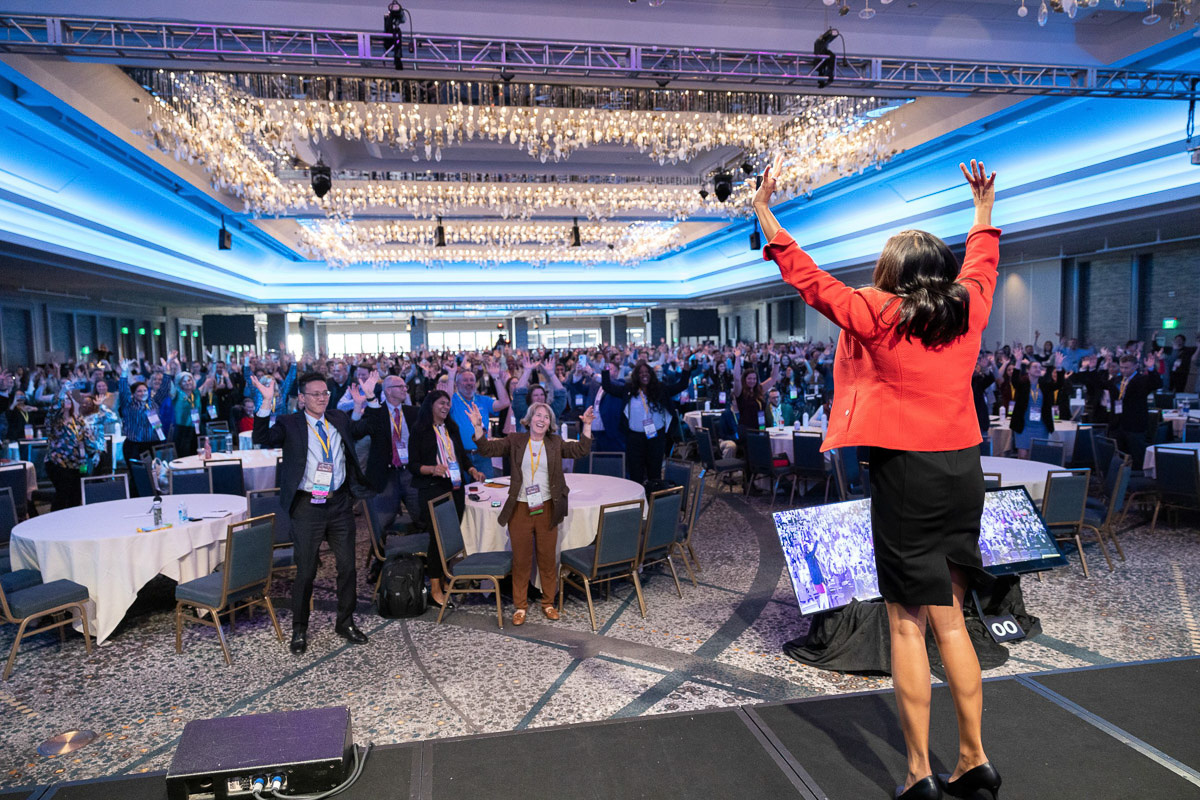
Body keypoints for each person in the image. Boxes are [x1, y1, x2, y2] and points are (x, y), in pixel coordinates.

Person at [756, 157, 1002, 800]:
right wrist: (983, 211)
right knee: (952, 620)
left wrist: (767, 220)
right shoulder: (968, 308)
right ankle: (975, 760)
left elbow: (813, 285)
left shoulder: (877, 312)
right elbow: (982, 265)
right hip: (962, 471)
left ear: (891, 275)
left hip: (905, 475)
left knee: (906, 625)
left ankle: (920, 772)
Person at [251, 371, 371, 655]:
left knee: (348, 567)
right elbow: (262, 437)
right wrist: (266, 403)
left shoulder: (338, 419)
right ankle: (300, 629)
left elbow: (365, 429)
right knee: (305, 571)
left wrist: (366, 401)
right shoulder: (289, 423)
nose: (321, 398)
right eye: (315, 394)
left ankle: (345, 622)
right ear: (302, 398)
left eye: (325, 393)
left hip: (339, 504)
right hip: (307, 507)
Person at [465, 401, 594, 624]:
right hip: (520, 508)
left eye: (546, 417)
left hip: (546, 507)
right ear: (530, 418)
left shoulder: (554, 442)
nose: (541, 419)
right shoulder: (516, 440)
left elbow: (580, 450)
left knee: (547, 557)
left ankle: (548, 603)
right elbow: (488, 449)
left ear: (550, 423)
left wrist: (587, 427)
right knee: (522, 559)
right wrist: (478, 428)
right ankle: (520, 606)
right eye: (538, 415)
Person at [408, 389, 485, 608]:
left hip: (456, 487)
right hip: (433, 489)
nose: (445, 407)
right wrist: (432, 469)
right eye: (441, 403)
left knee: (452, 536)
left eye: (447, 404)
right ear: (431, 405)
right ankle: (435, 587)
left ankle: (444, 576)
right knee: (438, 539)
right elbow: (413, 465)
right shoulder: (420, 430)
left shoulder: (452, 427)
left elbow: (460, 456)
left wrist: (472, 470)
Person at [350, 373, 421, 530]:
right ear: (388, 391)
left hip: (409, 473)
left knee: (421, 516)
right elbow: (355, 432)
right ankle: (381, 553)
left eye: (406, 386)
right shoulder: (376, 411)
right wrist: (357, 405)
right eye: (400, 386)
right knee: (382, 523)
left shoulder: (413, 412)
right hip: (385, 475)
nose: (405, 389)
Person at [601, 359, 688, 485]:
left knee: (655, 474)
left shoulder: (660, 389)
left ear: (651, 374)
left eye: (647, 372)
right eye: (641, 373)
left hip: (656, 437)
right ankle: (639, 501)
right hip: (634, 438)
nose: (644, 375)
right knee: (636, 474)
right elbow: (607, 386)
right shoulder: (628, 389)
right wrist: (606, 364)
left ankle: (654, 500)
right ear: (636, 375)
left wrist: (686, 369)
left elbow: (682, 385)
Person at [448, 359, 510, 479]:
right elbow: (446, 403)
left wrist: (496, 377)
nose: (469, 383)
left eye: (472, 380)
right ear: (457, 384)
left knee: (488, 488)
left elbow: (505, 402)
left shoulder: (483, 400)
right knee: (464, 493)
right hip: (461, 456)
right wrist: (451, 376)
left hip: (483, 453)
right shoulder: (453, 400)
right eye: (465, 380)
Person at [44, 389, 104, 510]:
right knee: (62, 494)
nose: (67, 401)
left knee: (76, 496)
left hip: (77, 464)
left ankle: (73, 524)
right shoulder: (54, 421)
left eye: (68, 399)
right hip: (58, 463)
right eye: (63, 400)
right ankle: (54, 524)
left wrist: (96, 451)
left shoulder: (78, 420)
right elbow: (53, 409)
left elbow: (88, 440)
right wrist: (64, 390)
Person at [118, 359, 172, 468]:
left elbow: (164, 389)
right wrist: (124, 373)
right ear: (133, 394)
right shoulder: (129, 405)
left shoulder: (154, 402)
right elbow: (123, 391)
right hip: (135, 445)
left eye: (145, 390)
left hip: (153, 444)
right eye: (139, 391)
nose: (143, 393)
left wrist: (167, 370)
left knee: (153, 474)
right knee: (138, 475)